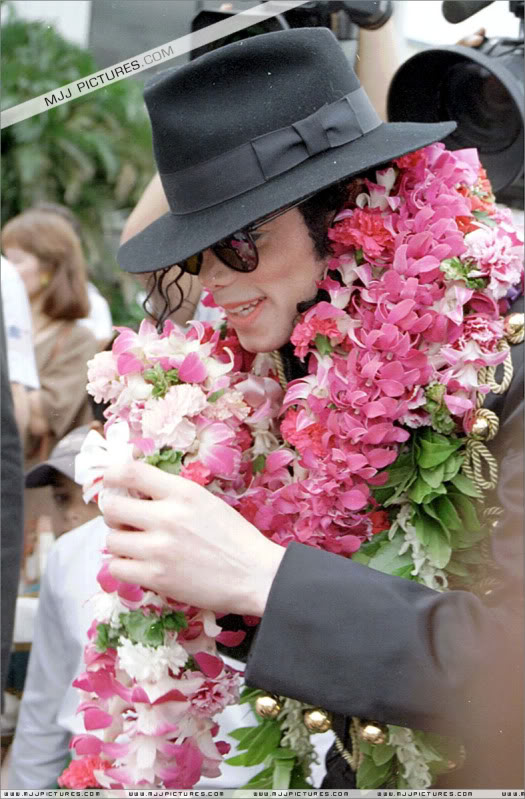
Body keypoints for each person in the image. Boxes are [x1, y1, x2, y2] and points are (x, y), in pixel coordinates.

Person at [102, 28, 523, 788]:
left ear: (346, 207)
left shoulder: (501, 356)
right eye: (192, 252)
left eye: (235, 242)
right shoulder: (298, 374)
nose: (208, 282)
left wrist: (264, 576)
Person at [1, 209, 98, 571]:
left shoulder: (76, 339)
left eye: (16, 260)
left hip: (42, 495)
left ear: (49, 267)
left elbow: (43, 418)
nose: (7, 270)